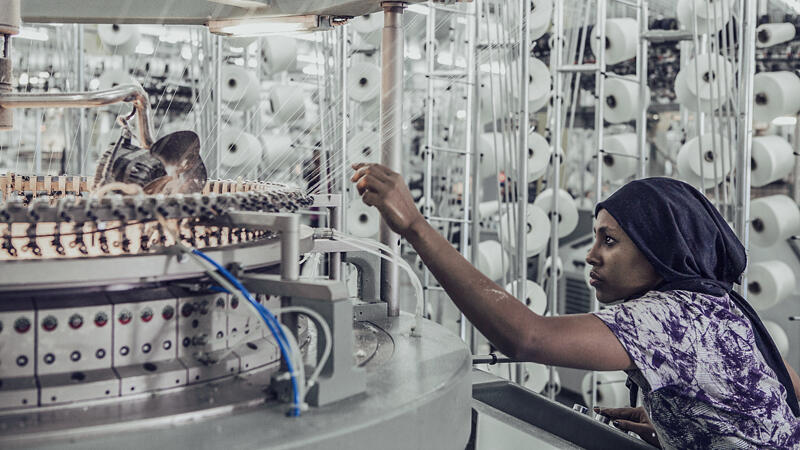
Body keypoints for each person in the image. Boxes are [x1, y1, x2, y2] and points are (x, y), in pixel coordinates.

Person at [351, 163, 800, 449]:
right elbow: (789, 388)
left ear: (659, 252)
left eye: (610, 240)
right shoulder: (719, 302)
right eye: (594, 237)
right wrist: (685, 422)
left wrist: (414, 226)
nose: (591, 254)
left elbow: (524, 336)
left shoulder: (668, 316)